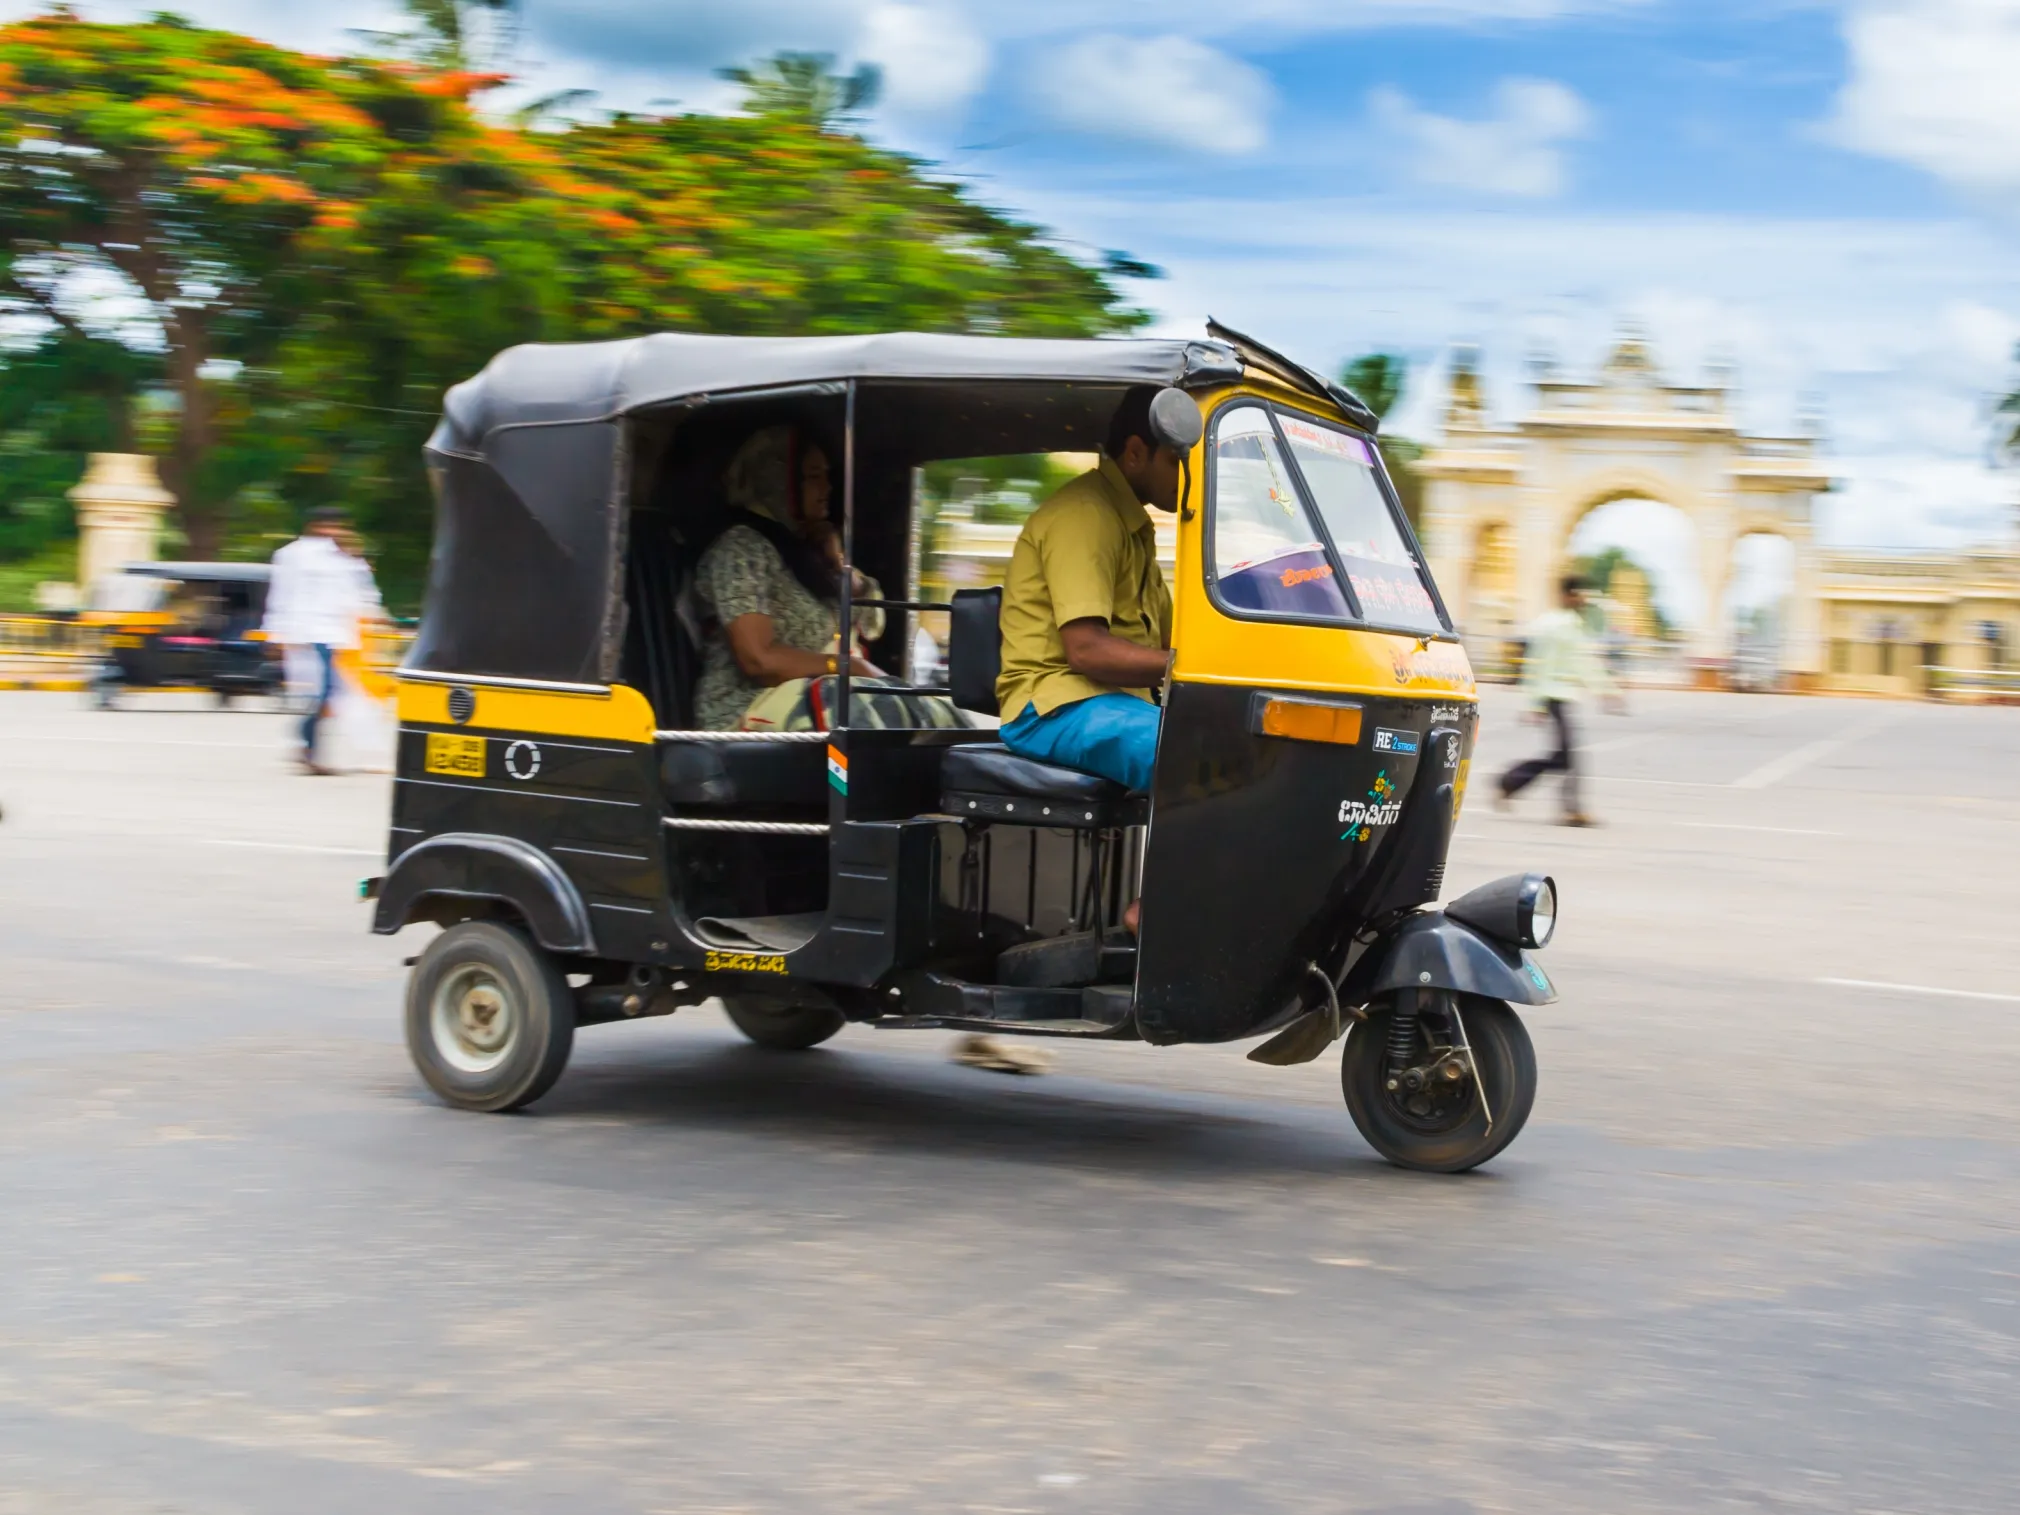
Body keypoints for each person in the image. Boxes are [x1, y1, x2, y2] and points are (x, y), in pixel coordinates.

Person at [995, 385, 1180, 799]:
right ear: (1135, 453)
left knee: (1239, 739)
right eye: (1176, 461)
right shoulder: (1087, 515)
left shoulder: (1132, 526)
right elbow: (1087, 651)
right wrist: (1188, 667)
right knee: (1188, 754)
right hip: (1049, 709)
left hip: (1107, 703)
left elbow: (1174, 640)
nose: (1188, 476)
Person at [692, 426, 887, 731]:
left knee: (920, 709)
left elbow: (873, 624)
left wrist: (839, 565)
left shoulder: (807, 551)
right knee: (876, 720)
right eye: (813, 477)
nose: (827, 488)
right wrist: (846, 667)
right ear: (777, 480)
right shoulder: (742, 548)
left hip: (812, 698)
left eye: (826, 475)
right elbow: (758, 661)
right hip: (747, 709)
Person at [1495, 573, 1619, 827]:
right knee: (1568, 756)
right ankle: (1569, 809)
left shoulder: (1573, 624)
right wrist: (1535, 703)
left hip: (1564, 696)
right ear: (1567, 595)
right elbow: (1539, 667)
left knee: (1564, 756)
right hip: (1552, 696)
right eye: (1580, 594)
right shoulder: (1553, 625)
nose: (1584, 599)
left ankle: (1512, 782)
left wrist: (1606, 689)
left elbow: (1584, 664)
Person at [264, 507, 367, 775]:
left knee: (333, 695)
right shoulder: (292, 555)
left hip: (336, 635)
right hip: (307, 633)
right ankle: (307, 748)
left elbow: (356, 594)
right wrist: (275, 633)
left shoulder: (342, 558)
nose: (332, 531)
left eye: (337, 526)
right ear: (314, 526)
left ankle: (307, 746)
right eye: (327, 525)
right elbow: (281, 594)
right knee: (323, 693)